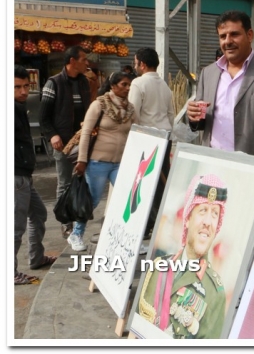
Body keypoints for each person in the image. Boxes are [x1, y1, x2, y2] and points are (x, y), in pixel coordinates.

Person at [186, 10, 254, 175]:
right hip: (212, 168)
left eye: (234, 34)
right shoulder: (208, 73)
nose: (228, 41)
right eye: (223, 36)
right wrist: (194, 118)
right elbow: (202, 121)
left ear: (249, 35)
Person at [138, 174, 227, 339]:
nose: (208, 222)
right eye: (202, 211)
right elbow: (137, 324)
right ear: (188, 219)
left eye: (215, 214)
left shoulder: (215, 293)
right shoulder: (158, 266)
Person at [68, 72, 135, 252]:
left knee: (127, 200)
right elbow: (86, 133)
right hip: (98, 162)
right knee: (93, 200)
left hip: (120, 163)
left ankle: (124, 238)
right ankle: (76, 234)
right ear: (113, 85)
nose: (128, 88)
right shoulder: (99, 104)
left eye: (129, 85)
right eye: (124, 84)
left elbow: (137, 132)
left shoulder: (130, 109)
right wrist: (82, 160)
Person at [39, 45, 91, 239]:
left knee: (82, 181)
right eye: (83, 59)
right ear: (72, 61)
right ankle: (65, 223)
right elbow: (43, 117)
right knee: (64, 183)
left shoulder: (84, 82)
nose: (87, 63)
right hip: (62, 143)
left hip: (82, 141)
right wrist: (52, 135)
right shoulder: (53, 83)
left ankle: (79, 221)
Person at [14, 65, 56, 285]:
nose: (23, 91)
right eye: (17, 87)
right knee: (15, 226)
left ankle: (36, 257)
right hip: (15, 177)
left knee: (39, 213)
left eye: (26, 86)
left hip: (25, 176)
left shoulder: (19, 107)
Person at [130, 47, 175, 239]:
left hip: (146, 139)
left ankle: (151, 225)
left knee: (145, 182)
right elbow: (171, 115)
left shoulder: (138, 83)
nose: (135, 66)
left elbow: (133, 114)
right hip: (165, 137)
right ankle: (161, 223)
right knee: (161, 182)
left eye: (135, 63)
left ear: (142, 64)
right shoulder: (164, 86)